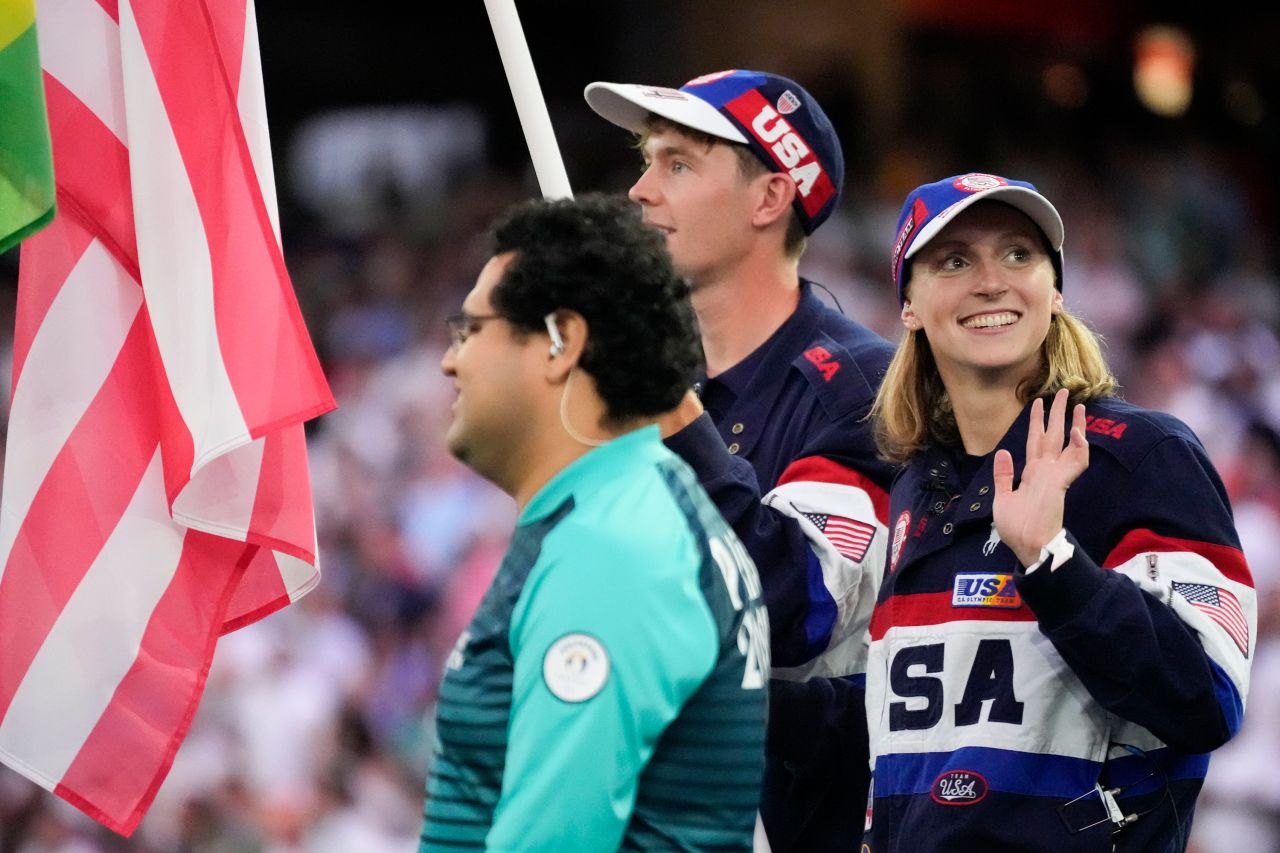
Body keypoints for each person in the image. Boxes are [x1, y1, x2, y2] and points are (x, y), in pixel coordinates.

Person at [865, 172, 1257, 850]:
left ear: (1056, 290)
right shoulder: (911, 489)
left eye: (1019, 254)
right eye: (955, 260)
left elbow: (1207, 697)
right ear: (909, 305)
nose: (992, 281)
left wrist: (1053, 561)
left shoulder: (1144, 457)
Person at [585, 69, 895, 851]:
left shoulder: (860, 387)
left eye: (678, 164)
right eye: (647, 160)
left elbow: (797, 606)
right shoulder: (661, 387)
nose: (639, 192)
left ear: (769, 199)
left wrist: (669, 413)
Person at [419, 194, 769, 851]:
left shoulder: (612, 549)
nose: (450, 360)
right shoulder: (626, 512)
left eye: (469, 330)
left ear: (561, 343)